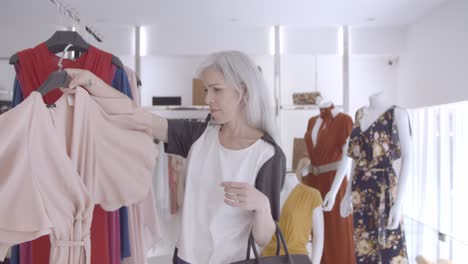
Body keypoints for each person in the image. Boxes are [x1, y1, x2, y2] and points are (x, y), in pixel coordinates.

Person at [62, 50, 286, 264]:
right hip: (185, 258)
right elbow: (138, 117)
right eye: (206, 89)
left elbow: (263, 238)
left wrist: (262, 206)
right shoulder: (199, 136)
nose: (208, 98)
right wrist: (92, 82)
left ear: (243, 91)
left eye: (216, 90)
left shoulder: (267, 155)